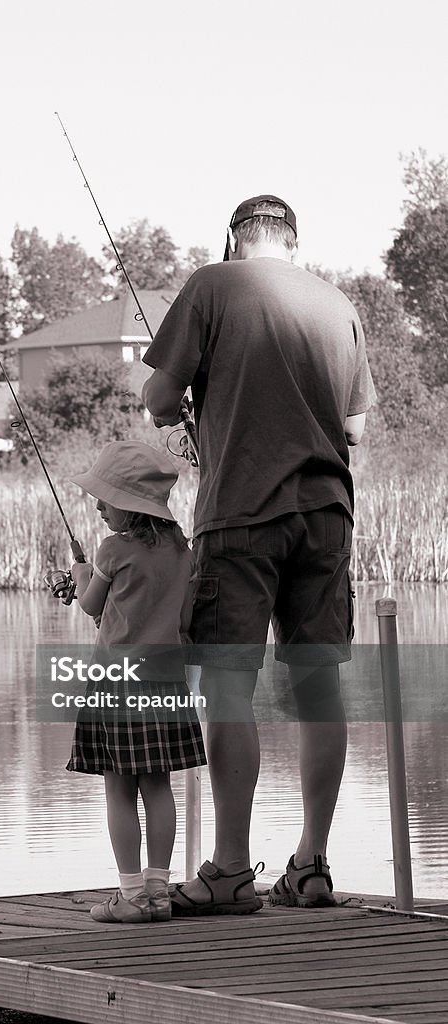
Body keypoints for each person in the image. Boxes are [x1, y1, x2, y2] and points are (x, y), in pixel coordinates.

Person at [141, 195, 377, 915]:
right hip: (327, 516)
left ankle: (232, 871)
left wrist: (180, 410)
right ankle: (310, 866)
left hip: (240, 513)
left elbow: (156, 395)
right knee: (317, 690)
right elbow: (357, 428)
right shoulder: (338, 305)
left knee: (228, 690)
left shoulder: (213, 284)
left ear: (234, 239)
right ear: (294, 241)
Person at [59, 440, 207, 923]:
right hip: (167, 685)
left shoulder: (111, 549)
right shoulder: (183, 552)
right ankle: (160, 892)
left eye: (105, 499)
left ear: (129, 506)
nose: (99, 506)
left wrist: (81, 575)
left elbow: (90, 605)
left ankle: (130, 897)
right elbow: (183, 618)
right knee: (158, 787)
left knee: (119, 789)